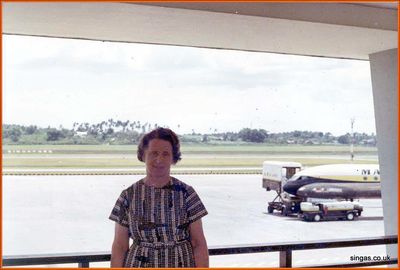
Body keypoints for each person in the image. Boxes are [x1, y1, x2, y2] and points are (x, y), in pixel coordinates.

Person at [109, 128, 209, 268]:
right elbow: (120, 246)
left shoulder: (187, 193)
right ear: (143, 155)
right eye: (154, 153)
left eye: (165, 154)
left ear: (173, 158)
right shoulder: (128, 195)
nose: (159, 160)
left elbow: (198, 243)